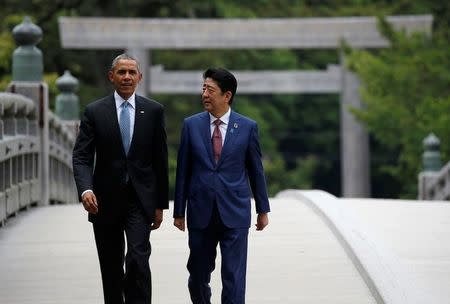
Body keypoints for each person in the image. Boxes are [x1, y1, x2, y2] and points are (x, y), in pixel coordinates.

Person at [72, 53, 168, 304]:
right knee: (111, 268)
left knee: (138, 260)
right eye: (122, 72)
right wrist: (85, 190)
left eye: (131, 72)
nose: (127, 77)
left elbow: (160, 160)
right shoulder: (94, 111)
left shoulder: (154, 110)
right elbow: (82, 156)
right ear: (111, 76)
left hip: (140, 200)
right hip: (104, 200)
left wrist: (160, 205)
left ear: (140, 77)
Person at [173, 67, 271, 304]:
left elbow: (256, 171)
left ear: (227, 96)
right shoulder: (191, 125)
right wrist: (179, 212)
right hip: (200, 212)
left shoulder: (247, 127)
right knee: (197, 275)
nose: (205, 94)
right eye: (203, 88)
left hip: (234, 212)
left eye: (211, 90)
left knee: (234, 277)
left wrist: (262, 209)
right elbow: (183, 171)